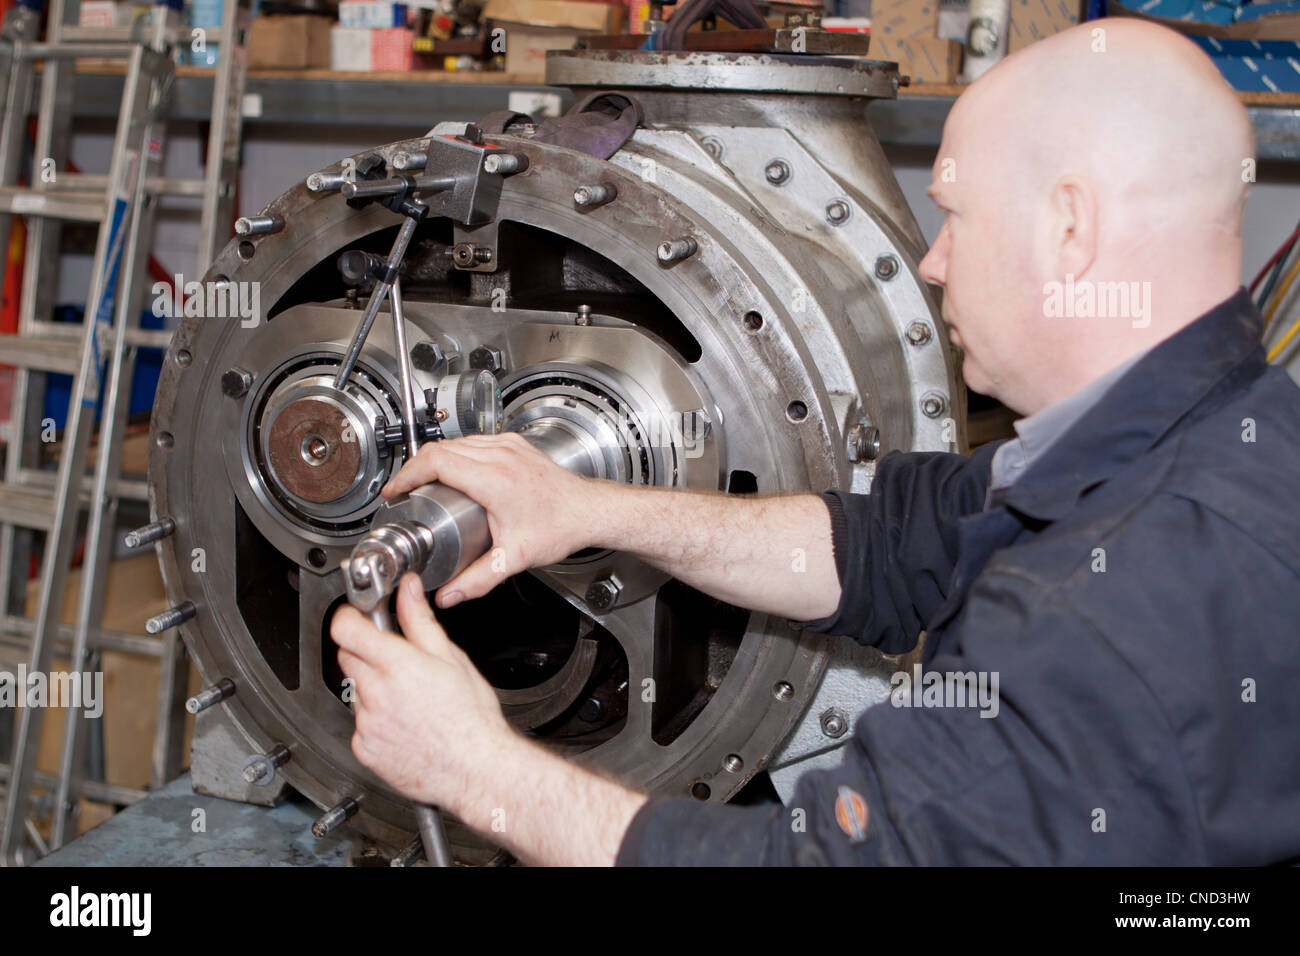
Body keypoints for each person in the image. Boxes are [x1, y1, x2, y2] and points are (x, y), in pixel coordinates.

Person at [330, 17, 1300, 865]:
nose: (933, 258)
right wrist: (588, 507)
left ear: (1068, 227)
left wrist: (477, 766)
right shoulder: (1207, 438)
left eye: (955, 216)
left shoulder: (1101, 614)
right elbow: (890, 543)